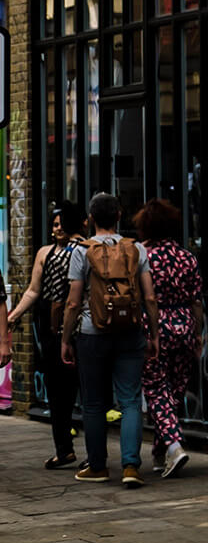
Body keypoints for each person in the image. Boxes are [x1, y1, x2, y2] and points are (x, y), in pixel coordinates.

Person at [61, 192, 160, 487]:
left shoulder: (81, 251)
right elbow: (150, 297)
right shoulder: (137, 249)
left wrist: (66, 338)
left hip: (93, 333)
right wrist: (153, 333)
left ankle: (98, 466)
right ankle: (131, 467)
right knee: (130, 400)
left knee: (93, 403)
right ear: (119, 216)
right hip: (130, 331)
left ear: (90, 219)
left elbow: (73, 302)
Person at [7, 203, 85, 468]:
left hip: (80, 327)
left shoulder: (87, 249)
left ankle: (96, 455)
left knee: (85, 389)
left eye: (63, 223)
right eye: (54, 224)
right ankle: (64, 449)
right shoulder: (44, 253)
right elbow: (33, 290)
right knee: (57, 392)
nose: (58, 228)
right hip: (51, 329)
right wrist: (13, 316)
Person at [136, 200, 203, 479]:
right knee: (173, 392)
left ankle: (174, 447)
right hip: (184, 325)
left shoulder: (143, 257)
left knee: (154, 390)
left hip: (154, 327)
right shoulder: (187, 257)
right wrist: (197, 332)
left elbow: (142, 297)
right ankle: (159, 452)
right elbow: (196, 300)